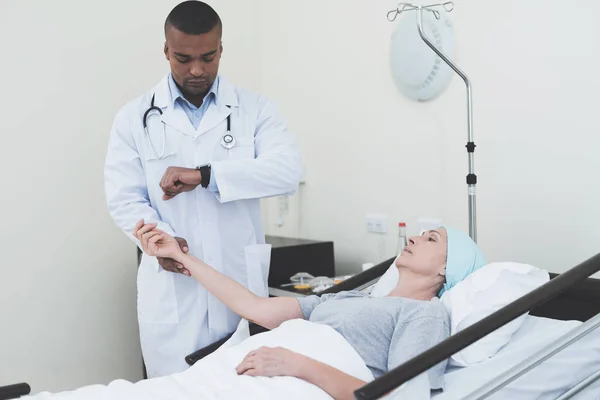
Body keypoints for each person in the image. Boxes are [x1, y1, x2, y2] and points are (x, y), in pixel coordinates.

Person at [104, 1, 303, 378]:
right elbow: (124, 198)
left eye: (208, 57)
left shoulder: (255, 109)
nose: (197, 69)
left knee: (244, 386)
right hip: (174, 295)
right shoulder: (133, 118)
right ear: (166, 50)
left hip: (239, 287)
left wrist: (205, 175)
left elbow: (286, 172)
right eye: (183, 58)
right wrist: (158, 240)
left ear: (221, 48)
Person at [133, 220, 487, 399]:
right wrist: (181, 256)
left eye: (431, 240)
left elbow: (401, 398)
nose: (413, 237)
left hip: (292, 382)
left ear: (447, 269)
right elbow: (254, 307)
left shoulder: (424, 313)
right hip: (248, 373)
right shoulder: (351, 299)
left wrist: (297, 364)